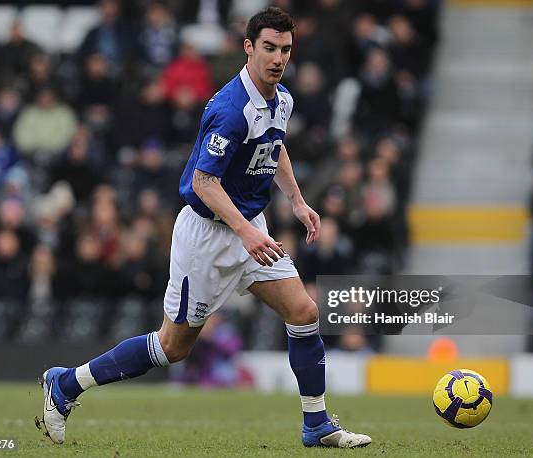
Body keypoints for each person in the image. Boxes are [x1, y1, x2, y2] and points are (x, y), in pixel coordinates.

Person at [37, 7, 372, 449]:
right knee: (172, 348)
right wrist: (247, 232)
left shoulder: (282, 99)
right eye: (268, 48)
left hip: (250, 228)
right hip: (208, 236)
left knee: (304, 313)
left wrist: (297, 199)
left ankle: (317, 424)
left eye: (285, 49)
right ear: (249, 47)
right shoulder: (230, 109)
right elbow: (203, 181)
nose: (277, 58)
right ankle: (66, 384)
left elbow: (274, 147)